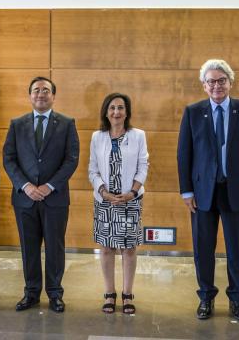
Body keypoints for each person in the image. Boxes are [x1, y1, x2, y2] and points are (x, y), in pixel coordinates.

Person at [177, 59, 239, 321]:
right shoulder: (193, 112)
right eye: (211, 81)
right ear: (204, 85)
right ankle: (206, 297)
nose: (217, 85)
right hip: (203, 193)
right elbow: (184, 154)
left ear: (230, 82)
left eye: (221, 80)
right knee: (203, 249)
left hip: (237, 191)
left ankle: (237, 300)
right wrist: (186, 191)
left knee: (237, 249)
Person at [3, 76, 80, 313]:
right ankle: (31, 293)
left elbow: (71, 159)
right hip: (25, 199)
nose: (40, 94)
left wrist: (50, 186)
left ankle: (55, 294)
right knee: (29, 247)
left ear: (53, 96)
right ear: (30, 96)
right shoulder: (17, 124)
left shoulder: (67, 123)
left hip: (54, 198)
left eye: (46, 90)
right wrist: (25, 185)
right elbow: (9, 158)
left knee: (55, 247)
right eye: (36, 90)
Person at [88, 93, 149, 314]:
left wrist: (133, 191)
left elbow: (143, 166)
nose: (116, 112)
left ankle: (127, 293)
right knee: (106, 248)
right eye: (112, 108)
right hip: (104, 201)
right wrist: (103, 191)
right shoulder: (97, 137)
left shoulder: (138, 135)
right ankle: (109, 293)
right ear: (106, 112)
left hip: (130, 200)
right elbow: (92, 170)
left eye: (121, 108)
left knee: (129, 248)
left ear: (127, 112)